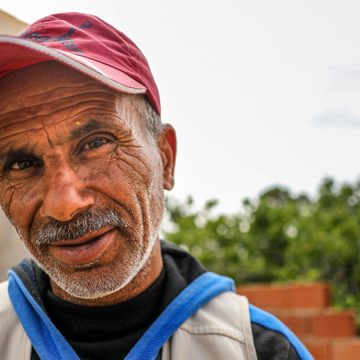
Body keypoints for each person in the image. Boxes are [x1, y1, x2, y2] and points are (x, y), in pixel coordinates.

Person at [0, 12, 313, 360]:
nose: (64, 204)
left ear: (165, 157)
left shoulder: (256, 350)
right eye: (22, 164)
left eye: (96, 143)